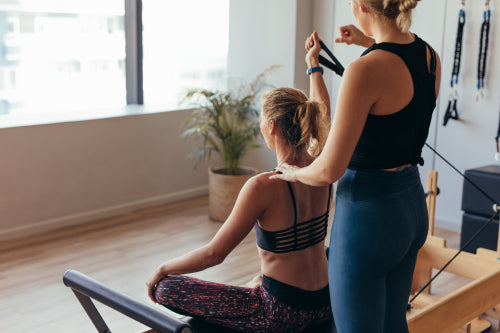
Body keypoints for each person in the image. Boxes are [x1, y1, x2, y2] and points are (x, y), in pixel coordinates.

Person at [271, 1, 442, 332]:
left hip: (369, 220)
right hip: (411, 209)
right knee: (393, 324)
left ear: (361, 5)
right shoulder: (429, 57)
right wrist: (367, 41)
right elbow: (399, 72)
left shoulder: (364, 71)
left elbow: (328, 170)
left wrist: (292, 172)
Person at [146, 51, 333, 331]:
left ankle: (257, 288)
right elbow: (323, 113)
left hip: (280, 314)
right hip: (324, 304)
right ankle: (260, 282)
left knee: (167, 288)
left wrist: (163, 268)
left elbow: (214, 255)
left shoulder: (262, 186)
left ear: (271, 127)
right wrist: (314, 68)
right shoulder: (323, 168)